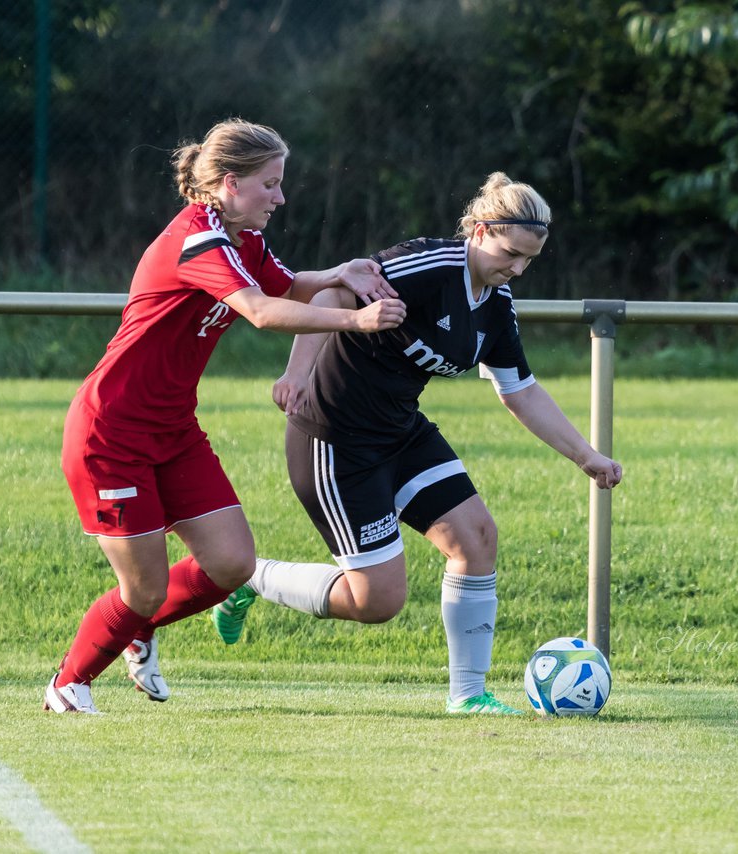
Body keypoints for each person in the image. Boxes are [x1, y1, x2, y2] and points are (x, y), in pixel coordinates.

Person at [206, 172, 624, 715]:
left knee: (476, 537)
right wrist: (298, 372)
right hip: (335, 438)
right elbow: (336, 288)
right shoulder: (425, 266)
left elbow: (518, 390)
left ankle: (468, 696)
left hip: (400, 431)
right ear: (478, 230)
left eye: (529, 260)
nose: (516, 269)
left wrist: (585, 456)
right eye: (510, 253)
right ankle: (249, 579)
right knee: (377, 600)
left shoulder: (496, 304)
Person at [44, 118, 406, 714]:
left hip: (173, 430)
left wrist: (339, 274)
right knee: (144, 588)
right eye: (271, 184)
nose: (281, 197)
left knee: (232, 563)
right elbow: (262, 312)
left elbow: (288, 287)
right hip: (111, 431)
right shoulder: (199, 240)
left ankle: (135, 628)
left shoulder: (241, 239)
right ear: (230, 182)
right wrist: (353, 320)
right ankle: (68, 683)